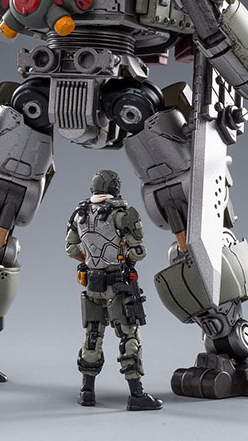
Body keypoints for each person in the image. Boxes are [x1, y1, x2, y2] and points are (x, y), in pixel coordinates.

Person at [65, 170, 163, 411]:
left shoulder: (80, 214)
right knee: (129, 336)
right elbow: (138, 252)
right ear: (115, 187)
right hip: (117, 284)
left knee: (92, 335)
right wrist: (123, 258)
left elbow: (70, 248)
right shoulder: (121, 214)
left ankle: (87, 392)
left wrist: (90, 261)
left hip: (92, 283)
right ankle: (137, 395)